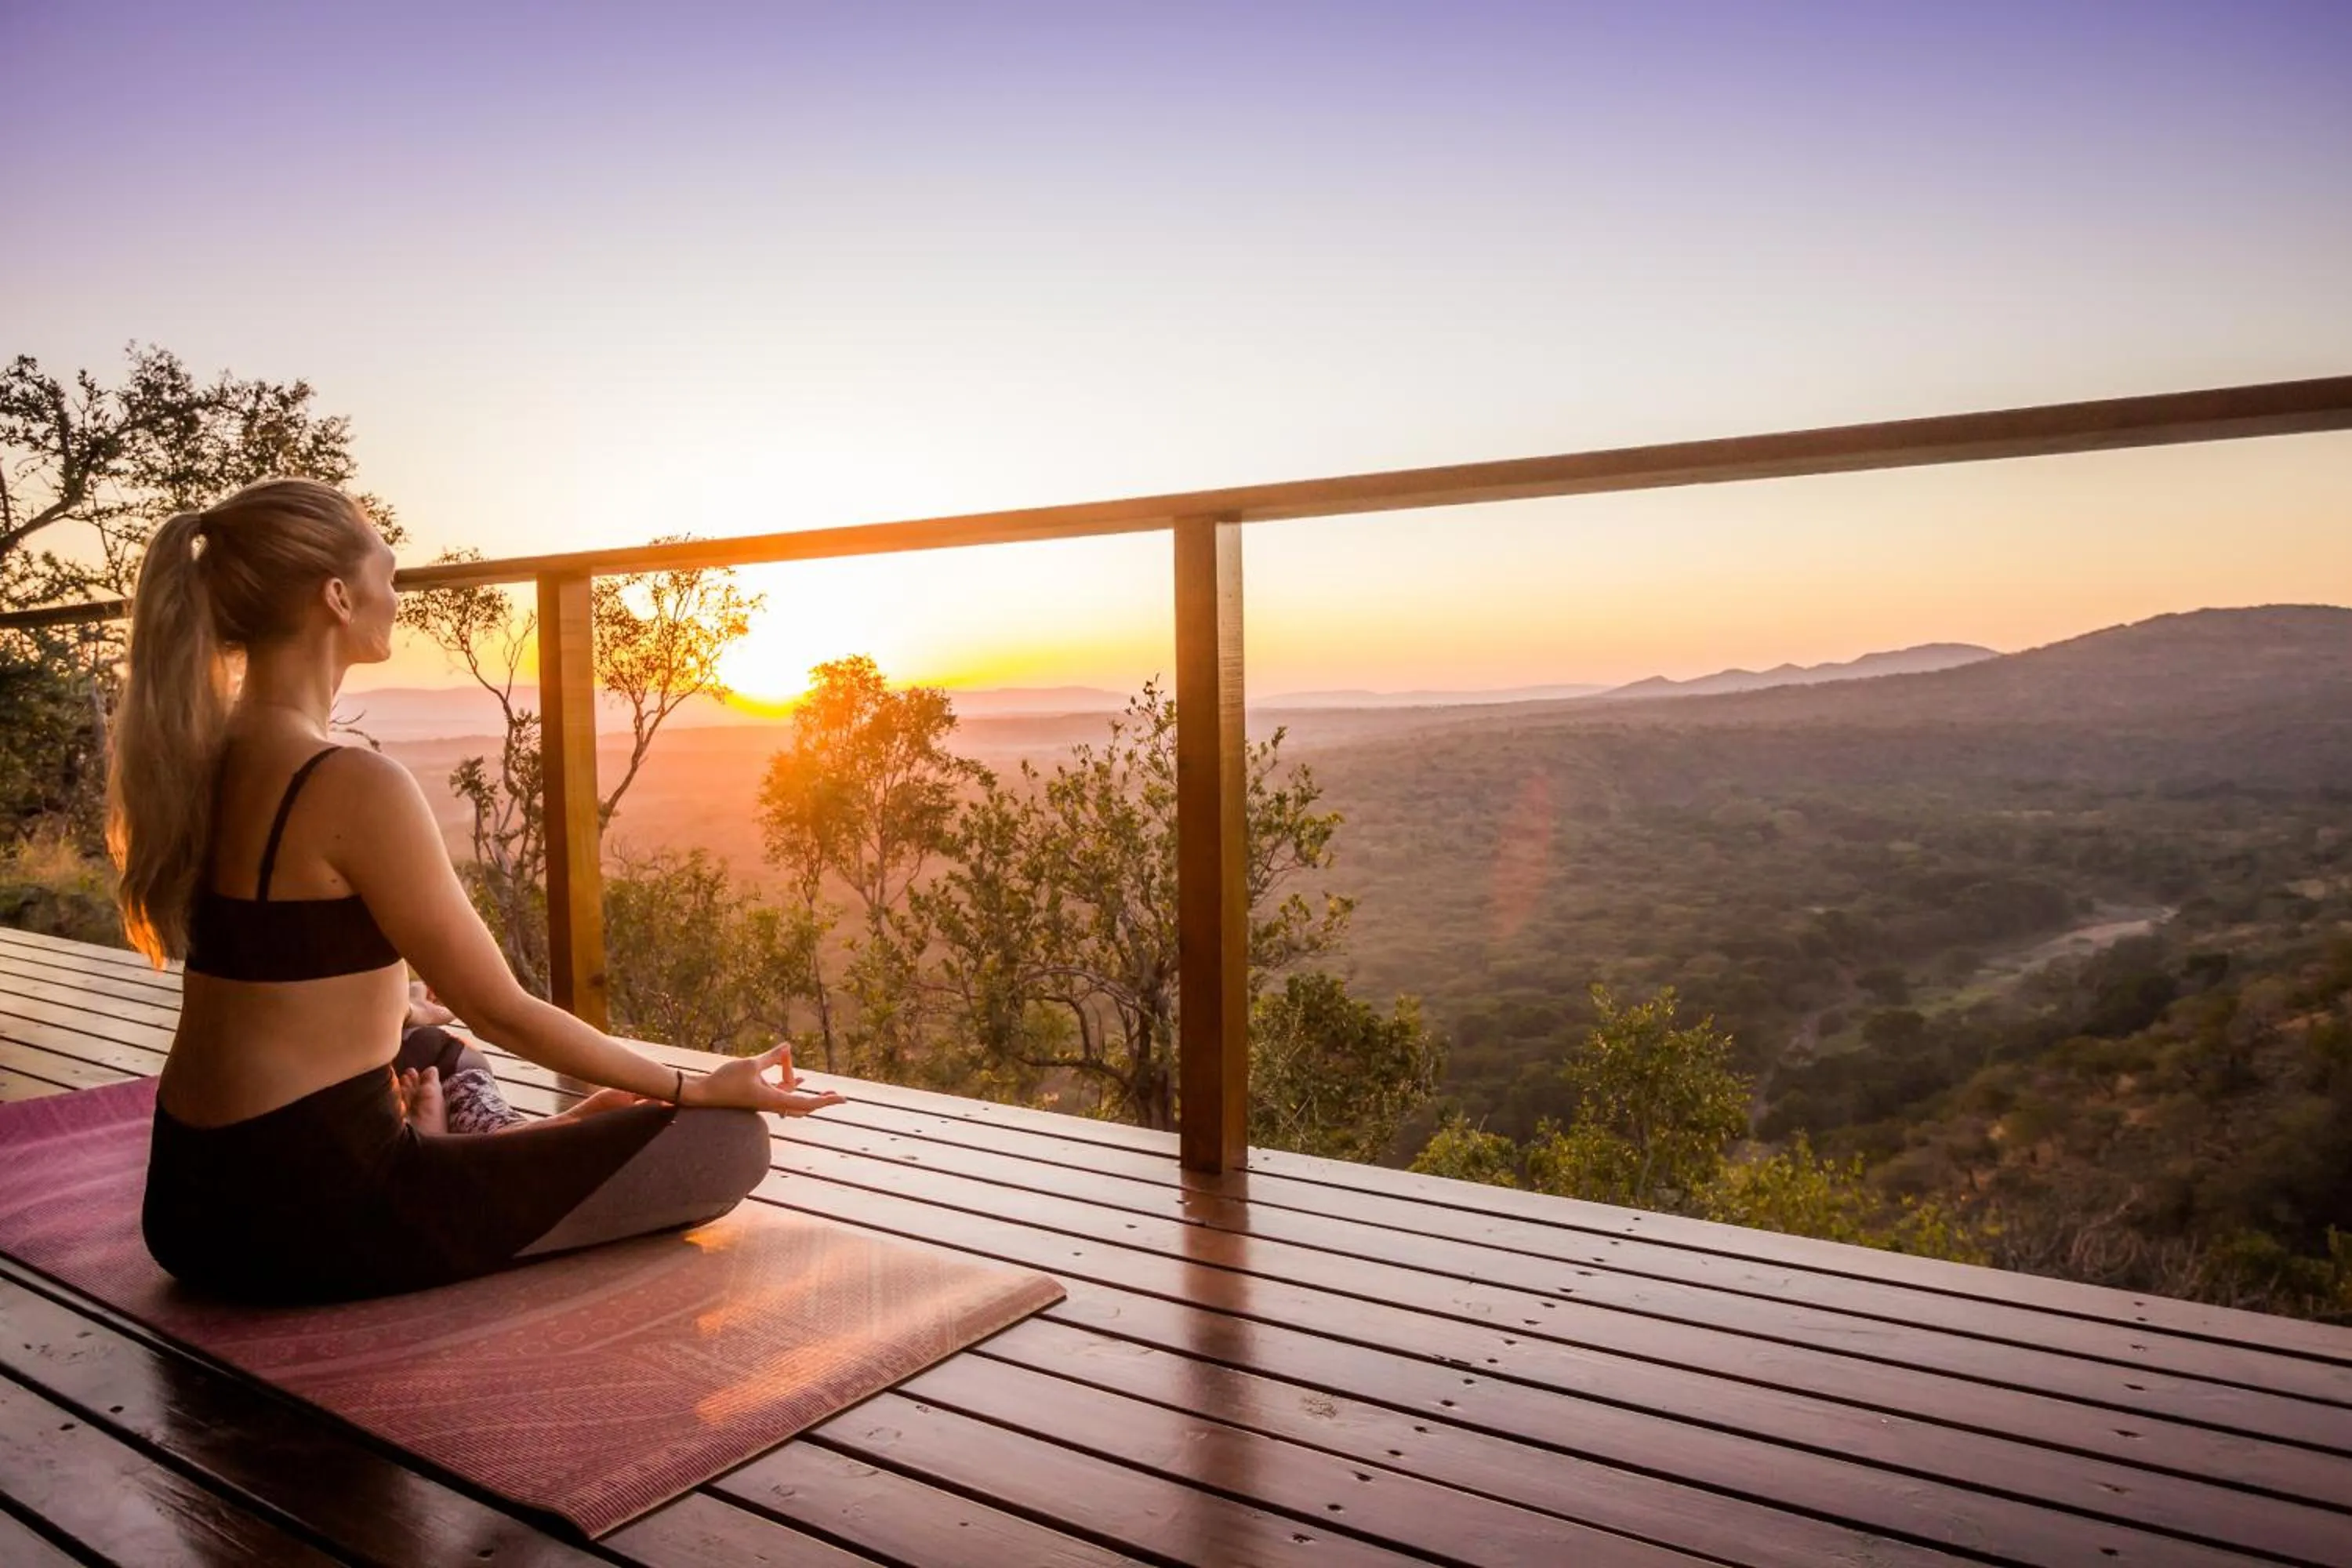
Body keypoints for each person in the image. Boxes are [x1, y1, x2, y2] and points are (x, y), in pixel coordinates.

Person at [107, 477, 844, 1304]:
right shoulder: (349, 780)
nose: (399, 594)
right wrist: (693, 1085)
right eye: (388, 572)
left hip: (189, 1204)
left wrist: (398, 1013)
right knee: (724, 1142)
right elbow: (501, 1007)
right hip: (307, 1222)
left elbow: (272, 968)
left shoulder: (198, 758)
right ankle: (489, 1147)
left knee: (433, 1046)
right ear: (338, 597)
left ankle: (470, 1138)